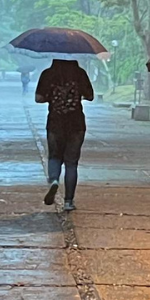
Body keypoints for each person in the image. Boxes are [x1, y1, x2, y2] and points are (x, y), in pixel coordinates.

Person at [35, 58, 94, 211]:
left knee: (54, 156)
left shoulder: (48, 74)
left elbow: (38, 98)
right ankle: (68, 201)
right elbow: (90, 96)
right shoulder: (80, 73)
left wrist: (52, 97)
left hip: (55, 123)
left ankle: (54, 180)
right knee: (71, 163)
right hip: (76, 124)